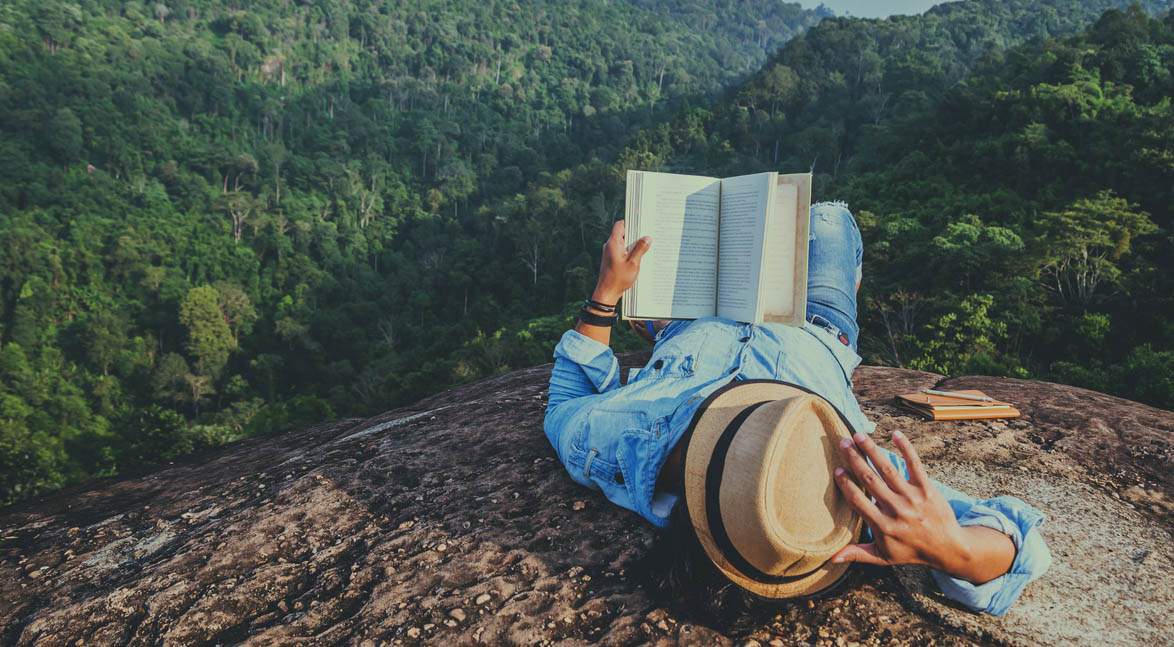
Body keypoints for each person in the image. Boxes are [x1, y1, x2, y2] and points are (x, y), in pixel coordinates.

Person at [544, 203, 1050, 616]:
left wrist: (607, 294)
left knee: (695, 222)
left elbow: (565, 403)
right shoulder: (829, 479)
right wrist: (950, 549)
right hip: (815, 324)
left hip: (698, 319)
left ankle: (660, 326)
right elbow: (1018, 549)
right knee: (828, 217)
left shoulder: (627, 441)